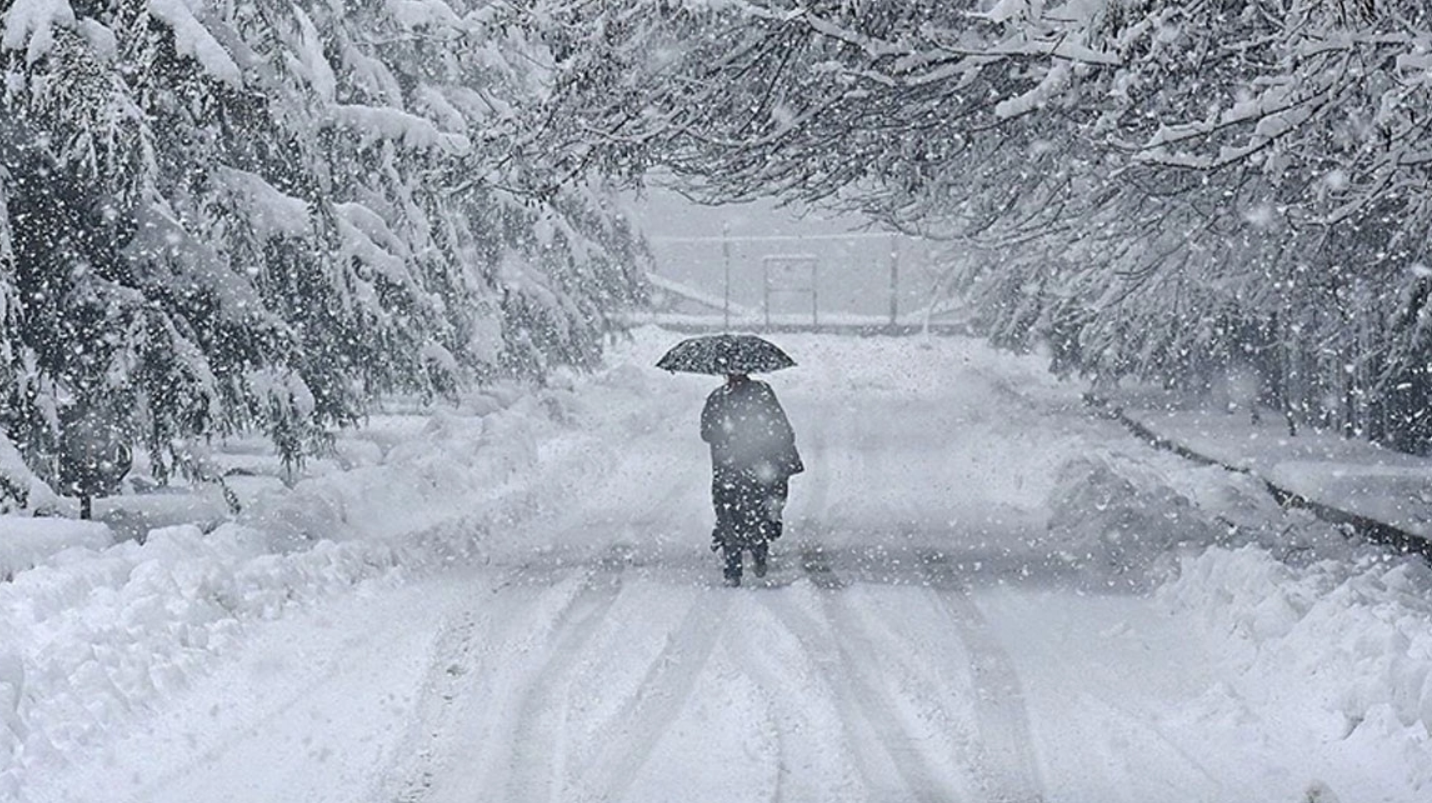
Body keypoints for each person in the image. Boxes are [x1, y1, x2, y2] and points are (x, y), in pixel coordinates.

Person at [701, 373, 803, 586]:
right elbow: (781, 427)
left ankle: (734, 568)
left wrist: (727, 434)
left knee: (730, 515)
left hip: (730, 468)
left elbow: (706, 433)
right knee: (755, 513)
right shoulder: (762, 394)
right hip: (756, 467)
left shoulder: (718, 398)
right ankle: (755, 555)